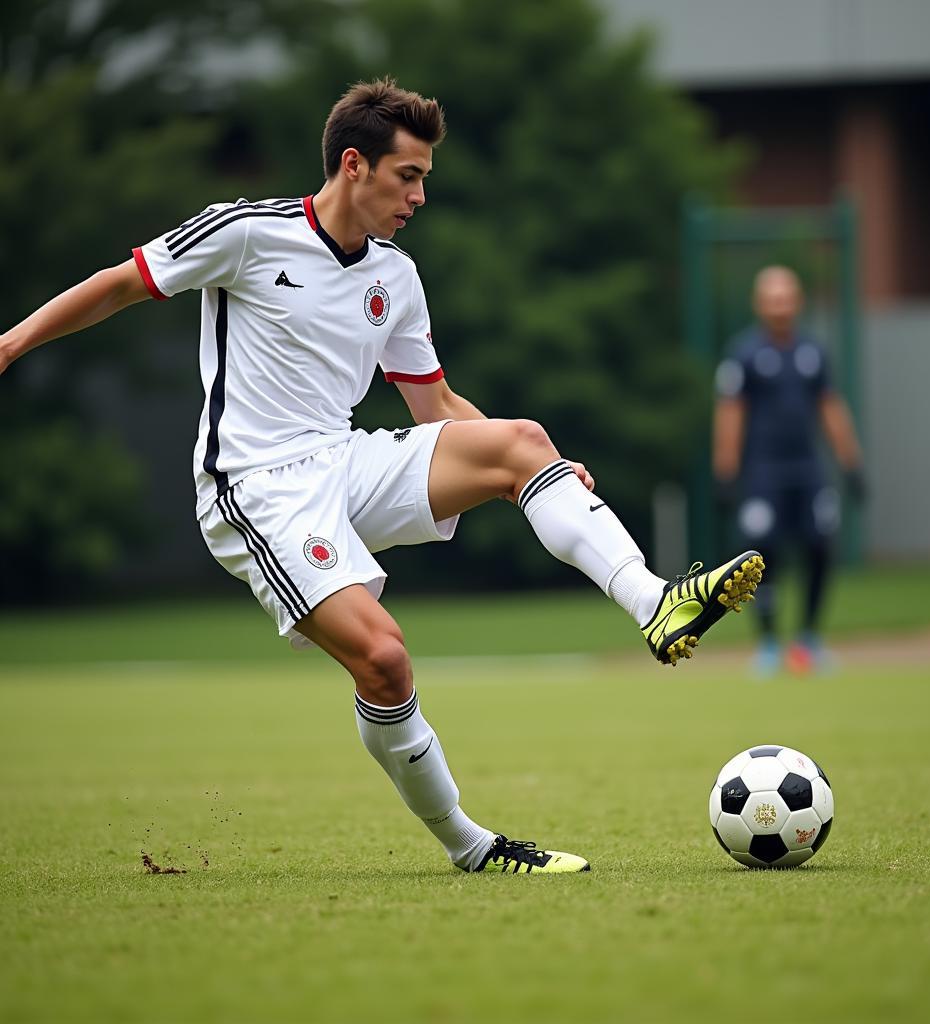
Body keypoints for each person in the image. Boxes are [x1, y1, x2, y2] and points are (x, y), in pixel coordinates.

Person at [0, 78, 763, 875]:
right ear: (354, 165)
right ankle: (472, 847)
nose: (421, 195)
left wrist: (538, 465)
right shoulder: (247, 232)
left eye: (426, 178)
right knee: (386, 660)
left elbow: (433, 404)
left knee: (525, 440)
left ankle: (655, 603)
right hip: (255, 488)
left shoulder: (394, 276)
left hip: (345, 458)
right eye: (410, 176)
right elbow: (124, 282)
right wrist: (12, 345)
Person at [712, 266, 865, 676]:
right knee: (762, 556)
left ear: (797, 302)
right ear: (759, 304)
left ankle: (809, 639)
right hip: (763, 472)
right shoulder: (742, 354)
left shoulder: (813, 352)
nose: (779, 305)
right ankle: (767, 644)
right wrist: (725, 471)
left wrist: (851, 463)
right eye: (771, 298)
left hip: (807, 470)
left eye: (786, 297)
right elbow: (730, 414)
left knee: (820, 545)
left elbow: (830, 407)